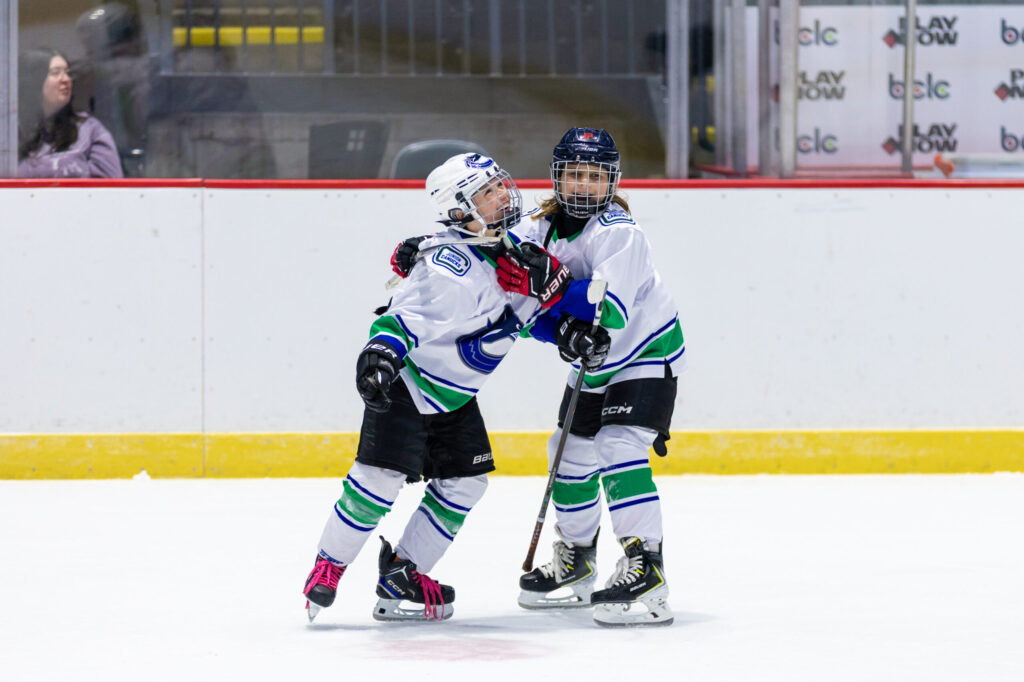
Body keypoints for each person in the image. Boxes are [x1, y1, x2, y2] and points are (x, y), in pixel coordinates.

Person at [390, 128, 685, 627]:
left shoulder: (620, 232)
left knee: (617, 445)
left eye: (595, 176)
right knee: (566, 454)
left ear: (610, 180)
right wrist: (427, 245)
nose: (584, 185)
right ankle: (576, 559)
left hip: (645, 351)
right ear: (557, 177)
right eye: (575, 174)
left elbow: (607, 313)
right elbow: (506, 281)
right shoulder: (536, 224)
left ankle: (647, 565)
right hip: (594, 363)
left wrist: (556, 288)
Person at [302, 152, 609, 623]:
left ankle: (403, 572)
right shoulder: (447, 268)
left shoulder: (512, 248)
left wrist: (565, 332)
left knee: (466, 483)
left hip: (455, 397)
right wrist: (379, 357)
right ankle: (328, 567)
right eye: (487, 193)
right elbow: (402, 320)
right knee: (377, 482)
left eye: (501, 184)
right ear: (459, 210)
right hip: (408, 385)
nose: (504, 195)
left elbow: (522, 319)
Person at [17, 49, 123, 179]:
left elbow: (113, 187)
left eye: (67, 73)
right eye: (55, 73)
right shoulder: (10, 132)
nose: (66, 79)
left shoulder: (89, 129)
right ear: (34, 81)